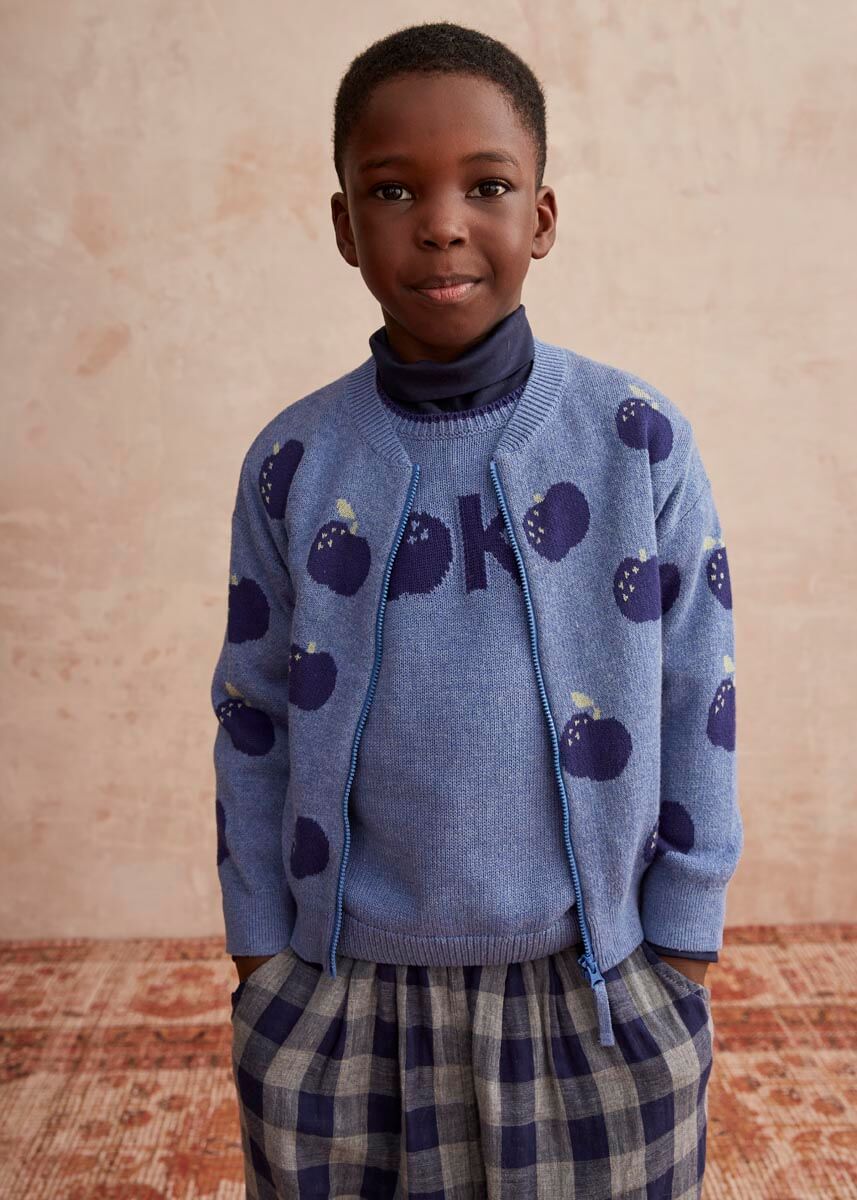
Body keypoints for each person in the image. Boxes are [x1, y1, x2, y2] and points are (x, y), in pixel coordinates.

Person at [211, 20, 743, 1199]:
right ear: (344, 223)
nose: (440, 221)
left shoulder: (633, 440)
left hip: (593, 982)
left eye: (485, 186)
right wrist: (261, 949)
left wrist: (684, 935)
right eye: (392, 189)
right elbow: (250, 710)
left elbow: (694, 682)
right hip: (341, 983)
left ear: (540, 218)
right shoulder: (294, 462)